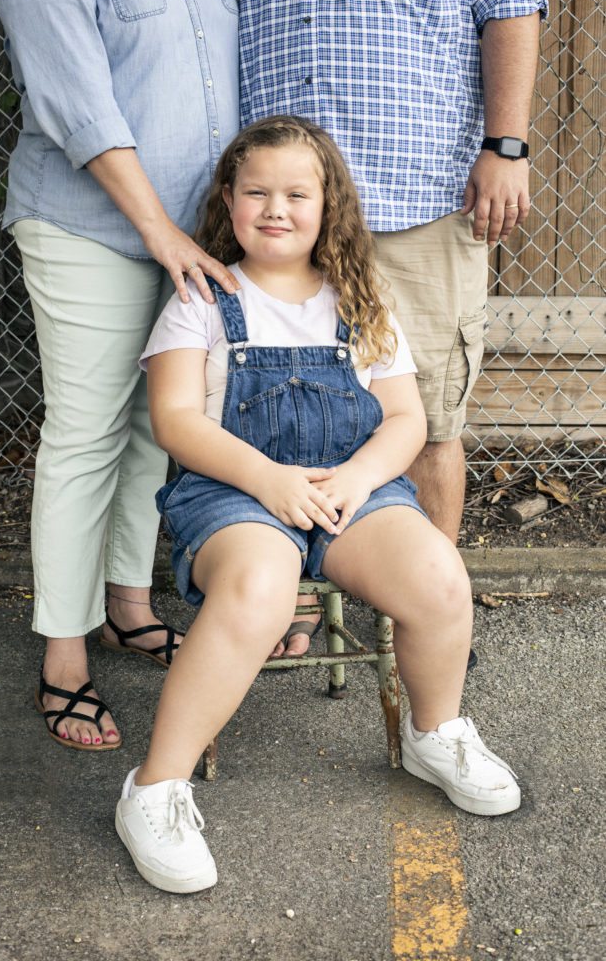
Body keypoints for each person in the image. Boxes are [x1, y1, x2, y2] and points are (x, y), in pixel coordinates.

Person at [115, 116, 521, 895]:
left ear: (327, 203)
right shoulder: (203, 299)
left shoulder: (360, 299)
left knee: (438, 578)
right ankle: (155, 788)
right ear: (227, 202)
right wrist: (268, 479)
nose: (276, 208)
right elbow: (176, 420)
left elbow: (406, 420)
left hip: (348, 489)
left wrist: (362, 479)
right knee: (260, 591)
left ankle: (434, 733)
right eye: (256, 192)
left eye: (296, 193)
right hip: (235, 493)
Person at [214, 0, 548, 654]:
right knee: (278, 411)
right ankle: (292, 592)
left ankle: (424, 608)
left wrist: (507, 145)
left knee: (425, 413)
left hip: (417, 193)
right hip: (282, 211)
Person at [0, 0, 240, 750]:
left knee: (148, 428)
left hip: (188, 233)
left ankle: (126, 609)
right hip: (88, 226)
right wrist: (157, 229)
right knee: (87, 431)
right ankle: (62, 660)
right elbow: (76, 99)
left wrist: (191, 230)